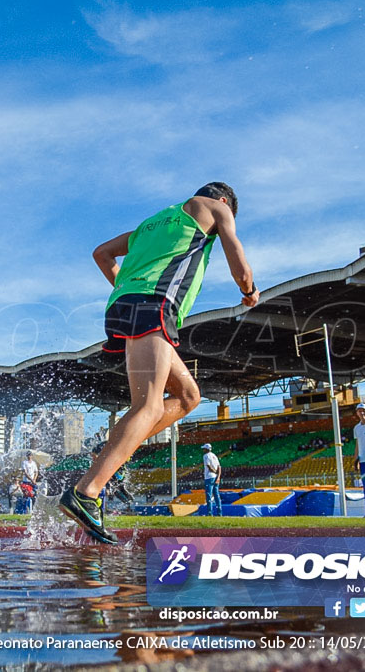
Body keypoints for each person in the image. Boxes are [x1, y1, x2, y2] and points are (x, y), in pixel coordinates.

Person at [59, 182, 259, 543]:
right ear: (225, 201)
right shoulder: (214, 207)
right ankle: (86, 492)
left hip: (127, 306)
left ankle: (111, 456)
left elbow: (101, 253)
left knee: (188, 396)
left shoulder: (151, 224)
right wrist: (249, 292)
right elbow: (239, 265)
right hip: (154, 304)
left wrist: (125, 288)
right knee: (149, 406)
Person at [201, 443, 222, 516]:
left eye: (204, 448)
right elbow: (219, 467)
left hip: (209, 477)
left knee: (209, 495)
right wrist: (218, 476)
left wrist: (214, 471)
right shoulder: (214, 456)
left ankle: (210, 513)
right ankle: (219, 513)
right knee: (216, 495)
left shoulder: (206, 456)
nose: (203, 450)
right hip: (215, 477)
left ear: (206, 449)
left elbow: (209, 466)